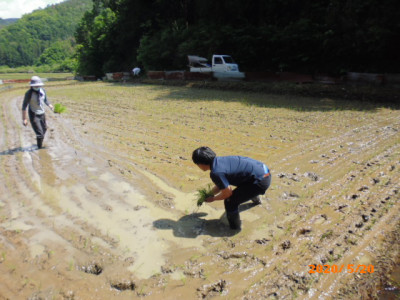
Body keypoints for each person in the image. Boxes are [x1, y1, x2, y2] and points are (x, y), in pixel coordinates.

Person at [192, 146, 271, 230]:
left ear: (200, 164)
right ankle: (257, 201)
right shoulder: (220, 161)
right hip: (263, 171)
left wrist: (213, 199)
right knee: (243, 186)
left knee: (230, 202)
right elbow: (221, 185)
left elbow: (227, 193)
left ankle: (234, 228)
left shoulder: (216, 173)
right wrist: (209, 194)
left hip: (260, 181)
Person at [22, 76, 53, 149]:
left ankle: (39, 141)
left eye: (38, 85)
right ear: (32, 86)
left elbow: (46, 100)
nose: (37, 86)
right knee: (40, 133)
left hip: (42, 113)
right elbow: (24, 106)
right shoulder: (29, 94)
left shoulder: (43, 91)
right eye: (35, 85)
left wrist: (50, 106)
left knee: (44, 128)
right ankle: (39, 147)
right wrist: (24, 119)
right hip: (34, 114)